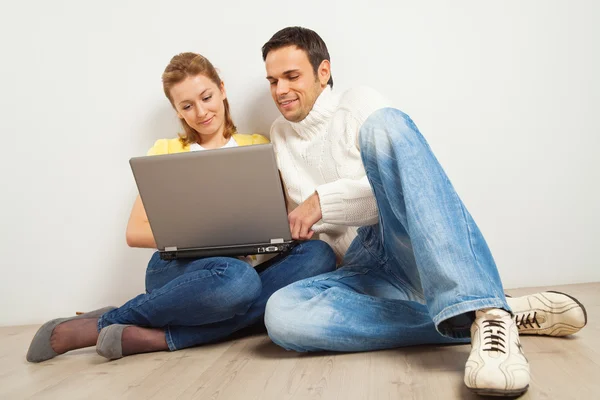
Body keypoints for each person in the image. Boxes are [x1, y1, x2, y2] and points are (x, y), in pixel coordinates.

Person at [260, 27, 588, 397]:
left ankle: (485, 311)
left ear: (323, 72)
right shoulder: (278, 134)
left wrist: (322, 201)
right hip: (357, 269)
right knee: (281, 315)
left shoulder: (357, 103)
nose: (280, 91)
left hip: (398, 245)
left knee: (386, 125)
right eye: (272, 81)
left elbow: (401, 189)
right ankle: (486, 316)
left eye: (291, 76)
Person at [26, 52, 336, 363]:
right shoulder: (167, 152)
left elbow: (275, 220)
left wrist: (293, 229)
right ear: (177, 111)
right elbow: (135, 233)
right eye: (187, 106)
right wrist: (212, 243)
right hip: (180, 270)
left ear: (222, 89)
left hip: (249, 271)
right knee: (238, 279)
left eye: (206, 97)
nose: (201, 112)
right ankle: (103, 324)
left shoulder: (258, 145)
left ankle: (157, 335)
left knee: (319, 255)